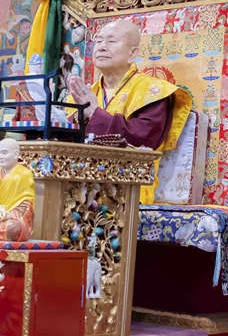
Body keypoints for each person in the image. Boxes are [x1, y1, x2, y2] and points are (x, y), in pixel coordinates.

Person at [64, 19, 192, 203]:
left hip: (129, 191)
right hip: (80, 189)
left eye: (111, 41)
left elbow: (142, 140)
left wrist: (95, 114)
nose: (101, 47)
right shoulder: (84, 94)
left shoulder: (153, 92)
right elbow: (66, 142)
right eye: (98, 41)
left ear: (132, 53)